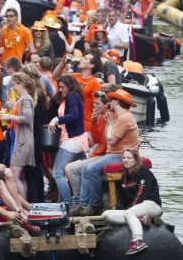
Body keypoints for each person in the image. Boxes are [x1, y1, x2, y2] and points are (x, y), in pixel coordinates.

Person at [71, 89, 140, 217]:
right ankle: (82, 205)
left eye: (112, 100)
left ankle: (95, 205)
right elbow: (104, 140)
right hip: (114, 154)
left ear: (117, 103)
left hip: (120, 156)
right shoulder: (120, 117)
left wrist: (109, 125)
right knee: (86, 169)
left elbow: (111, 141)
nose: (110, 103)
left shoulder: (123, 118)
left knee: (91, 169)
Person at [102, 148, 162, 256]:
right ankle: (139, 219)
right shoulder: (124, 177)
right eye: (124, 158)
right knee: (106, 215)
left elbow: (142, 194)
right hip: (135, 209)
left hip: (151, 204)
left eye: (129, 158)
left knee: (129, 213)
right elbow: (122, 199)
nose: (125, 160)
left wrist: (128, 211)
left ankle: (138, 241)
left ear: (135, 160)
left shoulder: (144, 172)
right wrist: (120, 209)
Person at [46, 75, 88, 209]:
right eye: (59, 87)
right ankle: (63, 202)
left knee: (57, 173)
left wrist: (57, 120)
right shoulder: (71, 97)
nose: (61, 89)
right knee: (70, 172)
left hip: (72, 140)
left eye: (63, 87)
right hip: (74, 140)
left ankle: (69, 204)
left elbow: (74, 115)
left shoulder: (71, 97)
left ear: (70, 86)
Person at [0, 72, 35, 201]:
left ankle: (22, 206)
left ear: (22, 84)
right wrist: (12, 109)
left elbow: (28, 118)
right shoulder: (23, 99)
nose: (12, 87)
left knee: (14, 174)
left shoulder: (26, 99)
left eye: (14, 84)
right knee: (20, 176)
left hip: (22, 142)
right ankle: (25, 205)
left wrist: (9, 116)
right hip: (21, 140)